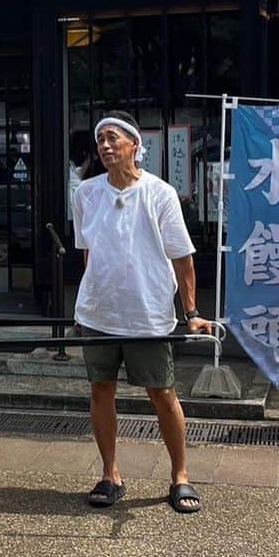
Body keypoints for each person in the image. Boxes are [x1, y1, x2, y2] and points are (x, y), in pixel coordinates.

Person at [71, 110, 213, 513]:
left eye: (114, 138)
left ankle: (180, 475)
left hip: (148, 312)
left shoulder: (159, 193)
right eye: (101, 140)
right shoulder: (87, 194)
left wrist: (192, 311)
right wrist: (85, 303)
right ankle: (110, 473)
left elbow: (183, 259)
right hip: (99, 311)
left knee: (162, 393)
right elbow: (89, 252)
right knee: (101, 389)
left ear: (135, 145)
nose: (105, 145)